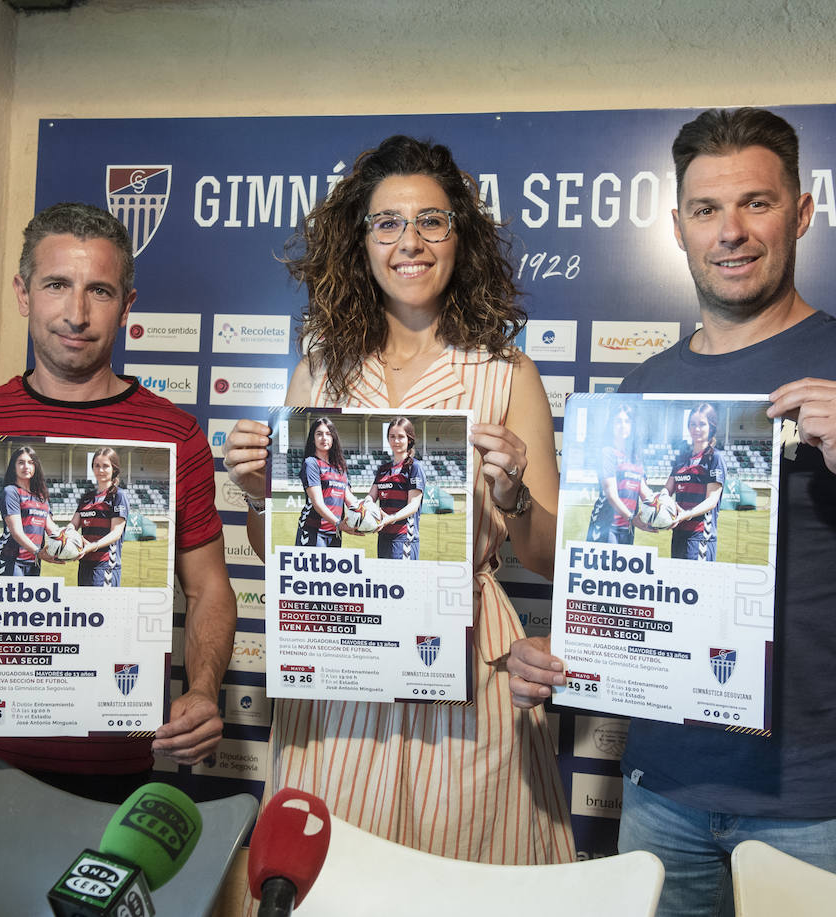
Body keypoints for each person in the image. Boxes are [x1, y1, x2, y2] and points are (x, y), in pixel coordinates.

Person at [509, 108, 836, 916]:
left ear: (801, 213)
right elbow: (627, 579)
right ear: (677, 227)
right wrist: (568, 651)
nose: (731, 231)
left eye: (756, 204)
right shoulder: (643, 394)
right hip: (663, 794)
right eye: (707, 210)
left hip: (826, 806)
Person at [0, 202, 236, 917]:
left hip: (109, 770)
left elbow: (210, 588)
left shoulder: (172, 435)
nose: (76, 311)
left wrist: (206, 686)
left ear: (128, 304)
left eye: (99, 290)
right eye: (57, 285)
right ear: (24, 292)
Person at [224, 135, 574, 866]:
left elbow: (547, 556)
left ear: (460, 236)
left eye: (431, 221)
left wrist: (512, 494)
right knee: (334, 878)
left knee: (471, 875)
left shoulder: (507, 371)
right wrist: (262, 496)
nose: (408, 241)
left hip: (468, 665)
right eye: (387, 223)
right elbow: (280, 547)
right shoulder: (320, 368)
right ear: (360, 241)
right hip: (340, 660)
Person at [664, 402, 725, 560]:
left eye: (702, 424)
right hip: (678, 533)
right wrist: (656, 506)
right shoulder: (681, 458)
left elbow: (712, 500)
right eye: (692, 424)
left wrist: (687, 514)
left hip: (700, 537)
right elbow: (667, 489)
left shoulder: (714, 457)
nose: (696, 429)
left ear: (711, 426)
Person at [0, 445, 62, 576]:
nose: (26, 467)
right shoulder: (11, 492)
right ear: (14, 466)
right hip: (10, 559)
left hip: (33, 561)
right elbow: (16, 532)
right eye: (21, 463)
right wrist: (38, 552)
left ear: (35, 467)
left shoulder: (41, 496)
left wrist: (71, 541)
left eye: (30, 463)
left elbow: (51, 528)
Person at [295, 415, 361, 547]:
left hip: (335, 532)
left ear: (333, 438)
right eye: (319, 434)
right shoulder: (311, 463)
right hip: (313, 530)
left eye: (328, 434)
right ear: (313, 439)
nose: (324, 438)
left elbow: (349, 498)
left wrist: (367, 513)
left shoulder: (340, 467)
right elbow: (317, 502)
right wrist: (338, 523)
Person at [585, 402, 645, 544]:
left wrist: (663, 505)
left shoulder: (636, 457)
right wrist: (632, 517)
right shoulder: (607, 452)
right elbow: (611, 495)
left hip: (627, 527)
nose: (622, 425)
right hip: (606, 525)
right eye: (618, 421)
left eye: (627, 421)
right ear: (611, 425)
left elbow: (644, 490)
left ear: (632, 426)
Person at [72, 446, 131, 586]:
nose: (101, 470)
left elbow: (116, 533)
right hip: (84, 563)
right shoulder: (87, 497)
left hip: (106, 565)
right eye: (97, 466)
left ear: (114, 469)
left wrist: (94, 546)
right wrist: (65, 535)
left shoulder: (118, 495)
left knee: (103, 608)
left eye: (105, 466)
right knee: (85, 608)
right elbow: (73, 523)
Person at [370, 415, 426, 560]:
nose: (396, 441)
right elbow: (371, 497)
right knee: (384, 581)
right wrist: (360, 512)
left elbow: (413, 505)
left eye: (401, 437)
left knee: (403, 582)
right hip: (383, 536)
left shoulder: (414, 467)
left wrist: (391, 518)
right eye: (392, 436)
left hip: (404, 537)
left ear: (409, 440)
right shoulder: (383, 469)